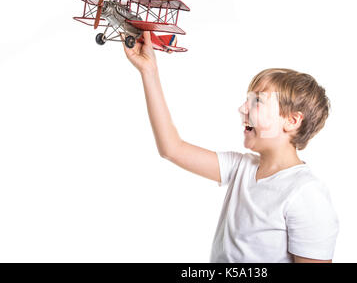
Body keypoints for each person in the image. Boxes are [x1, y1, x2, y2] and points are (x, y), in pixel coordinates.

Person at [122, 31, 339, 263]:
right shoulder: (240, 168)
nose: (242, 109)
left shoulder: (305, 193)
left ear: (292, 121)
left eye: (257, 101)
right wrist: (149, 71)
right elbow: (171, 148)